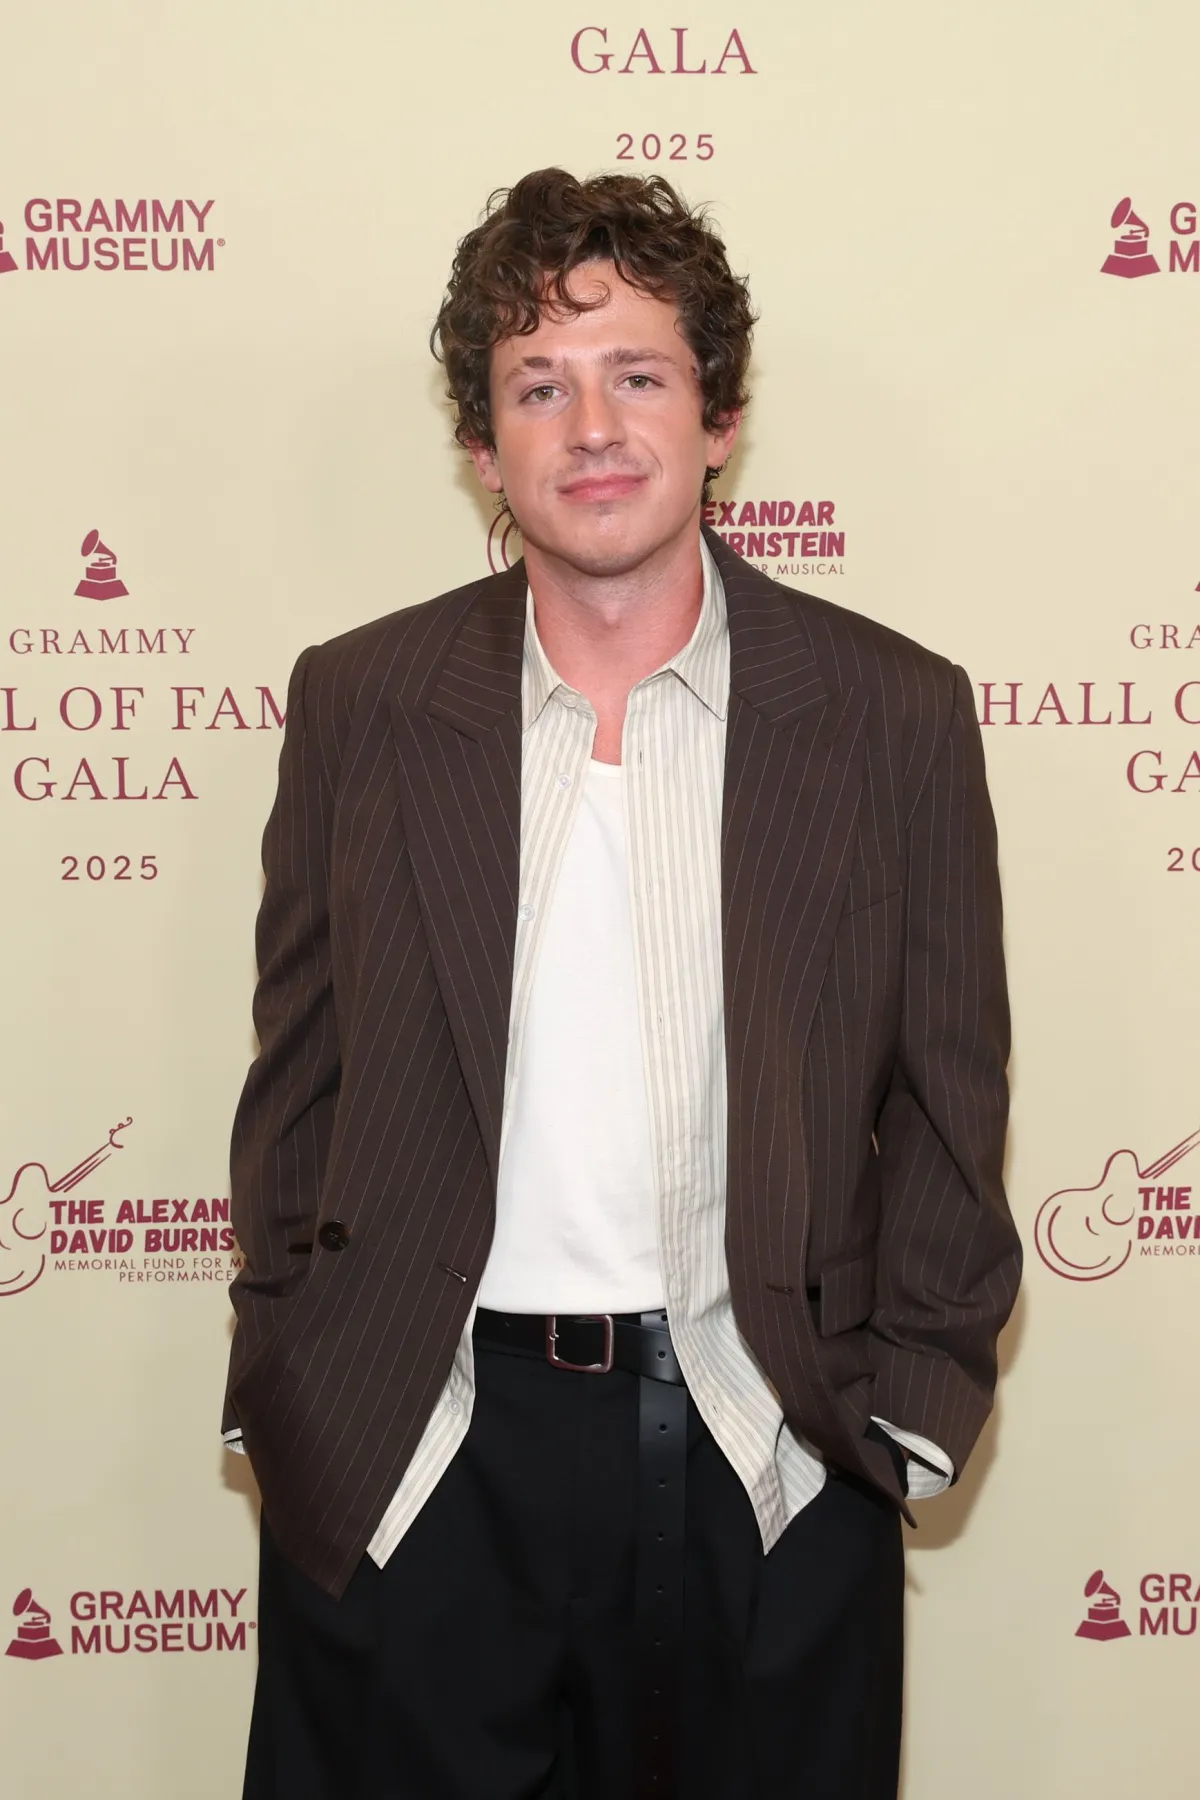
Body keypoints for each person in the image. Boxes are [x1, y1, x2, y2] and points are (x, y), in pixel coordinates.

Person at [223, 167, 1022, 1800]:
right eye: (539, 386)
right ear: (482, 445)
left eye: (636, 375)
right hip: (417, 1454)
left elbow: (953, 1097)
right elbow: (296, 1079)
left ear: (718, 418)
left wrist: (910, 1413)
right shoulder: (362, 703)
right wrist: (287, 1389)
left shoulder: (892, 714)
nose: (591, 427)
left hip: (764, 1453)